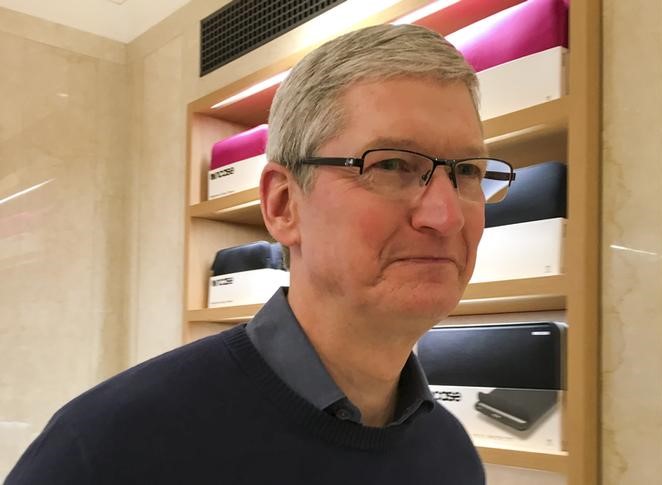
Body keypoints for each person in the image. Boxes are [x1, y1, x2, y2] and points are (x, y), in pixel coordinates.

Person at [7, 23, 514, 485]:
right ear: (283, 204)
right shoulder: (106, 451)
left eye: (467, 171)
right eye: (392, 165)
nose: (445, 215)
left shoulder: (452, 457)